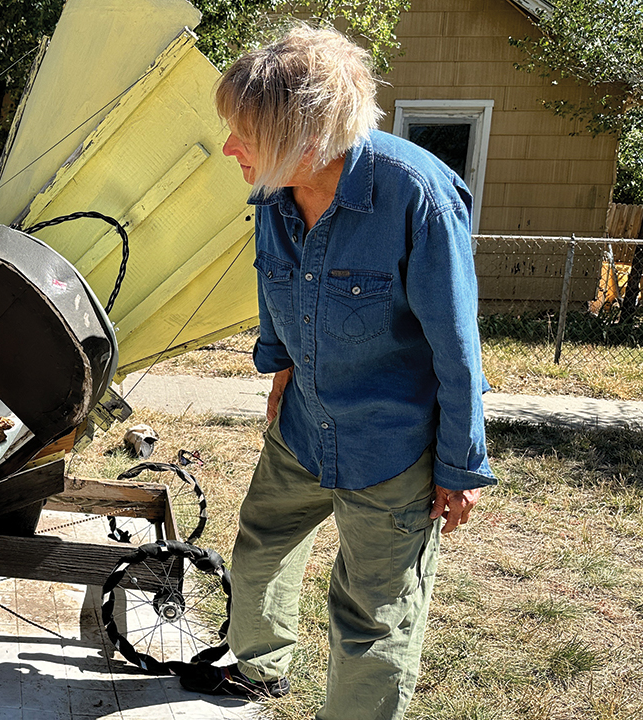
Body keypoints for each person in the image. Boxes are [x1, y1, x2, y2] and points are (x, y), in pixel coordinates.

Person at [198, 25, 494, 719]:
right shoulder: (275, 189)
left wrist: (460, 465)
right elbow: (275, 289)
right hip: (303, 425)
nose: (228, 148)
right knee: (259, 549)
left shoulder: (416, 196)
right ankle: (259, 669)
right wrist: (277, 371)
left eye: (243, 133)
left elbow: (458, 349)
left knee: (372, 615)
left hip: (391, 449)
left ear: (304, 136)